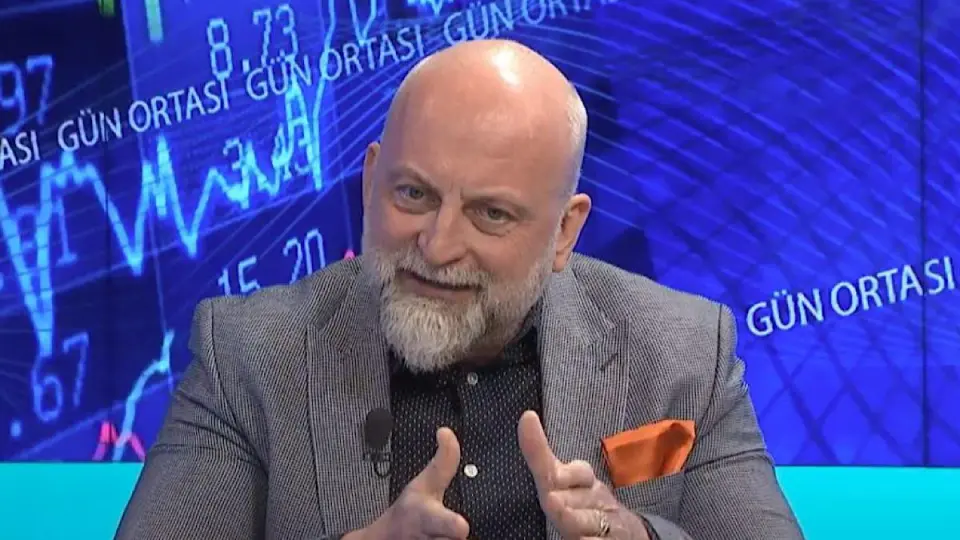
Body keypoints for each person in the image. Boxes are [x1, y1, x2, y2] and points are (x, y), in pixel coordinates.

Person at [116, 39, 804, 540]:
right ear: (372, 180)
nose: (438, 245)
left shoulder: (682, 355)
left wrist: (637, 536)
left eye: (491, 214)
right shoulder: (249, 355)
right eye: (413, 195)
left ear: (564, 232)